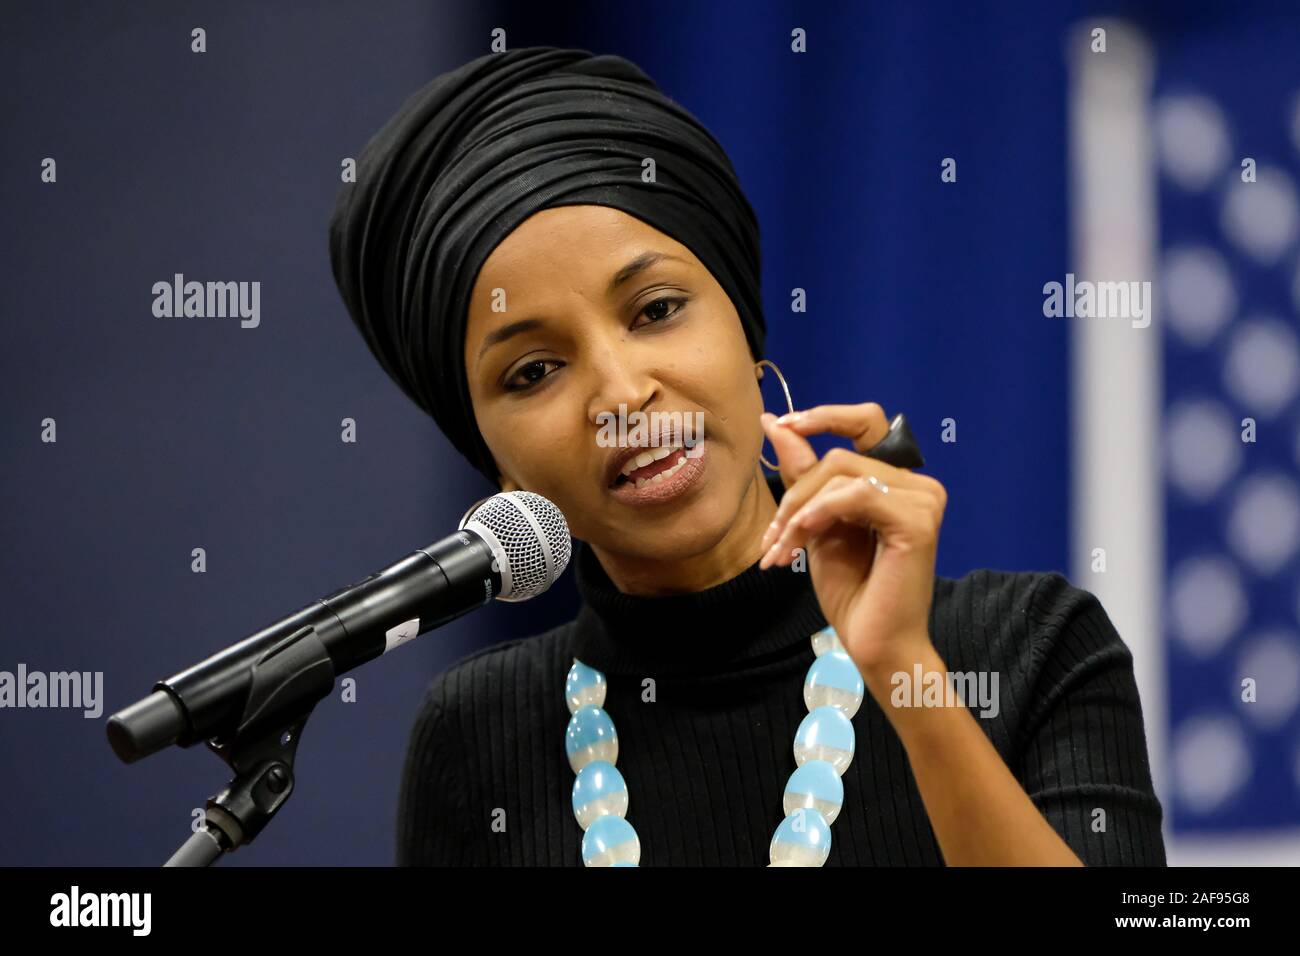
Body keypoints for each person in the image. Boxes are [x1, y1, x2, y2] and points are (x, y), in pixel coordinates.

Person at [329, 46, 1166, 866]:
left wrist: (903, 671)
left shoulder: (1028, 648)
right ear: (495, 461)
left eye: (655, 310)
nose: (621, 394)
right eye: (535, 370)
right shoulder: (481, 734)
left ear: (746, 339)